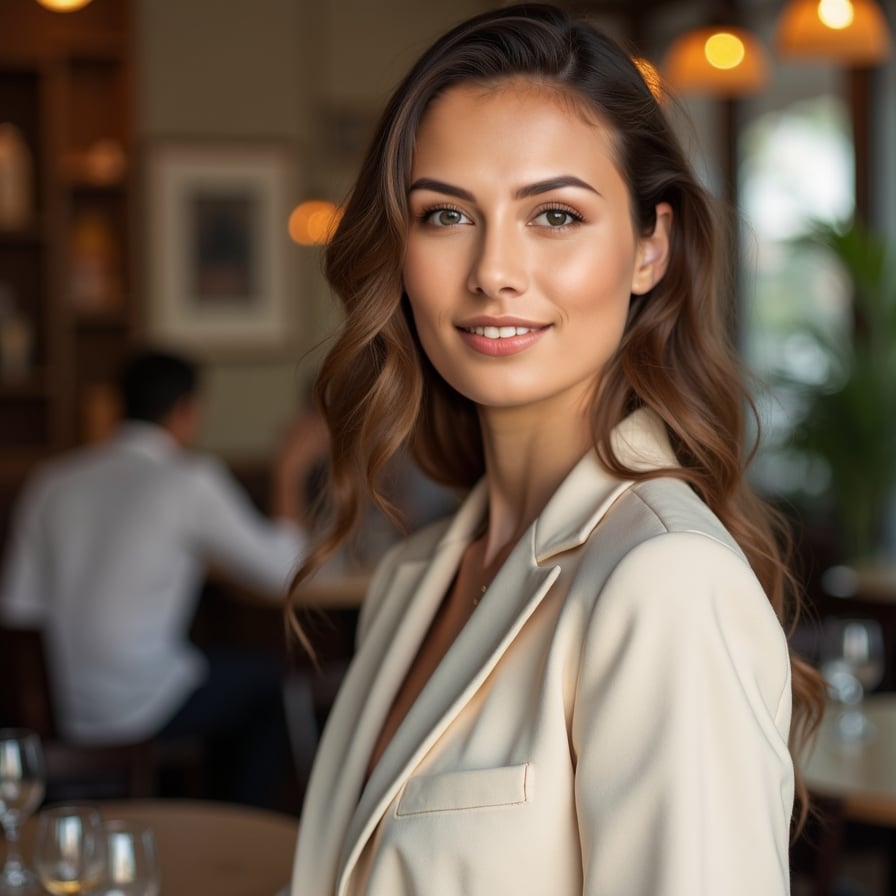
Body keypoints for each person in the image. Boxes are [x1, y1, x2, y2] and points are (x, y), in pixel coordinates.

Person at [288, 5, 825, 894]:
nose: (495, 270)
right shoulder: (415, 576)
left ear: (652, 246)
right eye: (447, 214)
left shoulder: (663, 582)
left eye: (556, 216)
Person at [0, 348, 328, 808]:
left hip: (58, 708)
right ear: (187, 411)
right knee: (273, 682)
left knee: (216, 664)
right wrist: (290, 471)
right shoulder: (188, 481)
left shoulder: (52, 481)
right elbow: (286, 575)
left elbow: (16, 609)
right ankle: (240, 830)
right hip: (140, 706)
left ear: (120, 406)